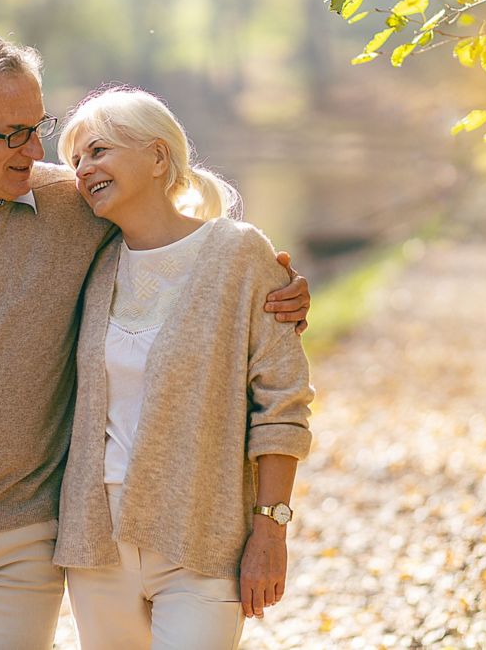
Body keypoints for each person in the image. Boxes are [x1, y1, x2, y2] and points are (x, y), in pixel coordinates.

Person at [0, 32, 310, 649]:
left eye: (38, 125)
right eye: (13, 134)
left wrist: (282, 293)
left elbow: (182, 249)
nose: (38, 152)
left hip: (31, 521)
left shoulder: (71, 204)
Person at [53, 87, 313, 650]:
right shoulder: (91, 265)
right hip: (96, 540)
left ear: (156, 156)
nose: (83, 170)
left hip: (203, 529)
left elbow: (282, 401)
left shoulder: (240, 253)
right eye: (75, 161)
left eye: (98, 150)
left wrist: (271, 527)